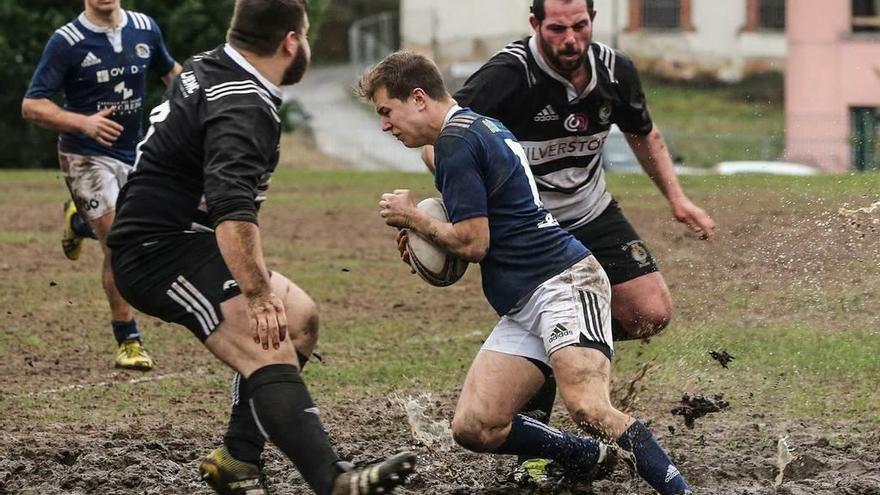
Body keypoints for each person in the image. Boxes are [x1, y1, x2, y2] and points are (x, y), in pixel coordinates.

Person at [106, 1, 416, 494]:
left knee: (300, 320)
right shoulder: (244, 103)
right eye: (307, 35)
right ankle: (333, 481)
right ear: (291, 41)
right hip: (158, 252)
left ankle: (237, 458)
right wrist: (255, 293)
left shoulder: (212, 63)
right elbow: (233, 212)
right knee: (267, 344)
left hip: (182, 238)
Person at [361, 50, 692, 495]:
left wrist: (413, 219)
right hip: (524, 302)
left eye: (386, 111)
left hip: (564, 282)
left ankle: (680, 490)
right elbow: (475, 233)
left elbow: (473, 243)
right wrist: (430, 237)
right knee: (475, 426)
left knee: (589, 407)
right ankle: (589, 455)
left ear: (418, 98)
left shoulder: (455, 142)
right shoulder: (475, 127)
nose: (385, 124)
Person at [420, 0, 717, 481]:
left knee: (650, 312)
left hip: (591, 209)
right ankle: (551, 395)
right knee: (541, 336)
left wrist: (677, 198)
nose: (570, 39)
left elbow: (643, 133)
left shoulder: (614, 70)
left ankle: (570, 349)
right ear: (535, 24)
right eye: (557, 28)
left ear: (592, 22)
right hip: (531, 225)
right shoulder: (506, 75)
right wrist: (464, 203)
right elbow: (445, 137)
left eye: (580, 26)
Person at [22, 0, 183, 371]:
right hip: (85, 155)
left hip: (136, 151)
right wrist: (84, 123)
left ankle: (78, 222)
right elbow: (32, 105)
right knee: (118, 244)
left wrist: (196, 105)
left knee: (147, 232)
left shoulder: (145, 28)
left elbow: (171, 74)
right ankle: (128, 339)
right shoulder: (66, 41)